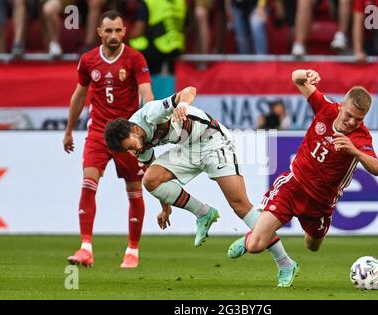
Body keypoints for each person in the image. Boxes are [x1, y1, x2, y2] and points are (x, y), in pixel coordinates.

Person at [104, 86, 298, 287]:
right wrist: (165, 206)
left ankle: (285, 263)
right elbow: (153, 172)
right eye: (128, 150)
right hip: (187, 148)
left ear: (135, 130)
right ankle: (203, 213)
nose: (133, 151)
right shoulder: (139, 146)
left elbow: (189, 90)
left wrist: (184, 104)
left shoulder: (151, 113)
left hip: (213, 141)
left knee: (240, 205)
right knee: (150, 180)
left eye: (130, 146)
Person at [227, 69, 378, 281]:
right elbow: (295, 78)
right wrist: (306, 74)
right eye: (349, 115)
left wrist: (354, 151)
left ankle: (262, 237)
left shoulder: (361, 136)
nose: (352, 122)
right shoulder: (326, 108)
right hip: (294, 186)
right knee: (255, 245)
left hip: (321, 202)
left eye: (358, 119)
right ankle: (263, 248)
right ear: (341, 107)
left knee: (312, 246)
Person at [63, 10, 154, 269]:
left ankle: (132, 251)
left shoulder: (135, 58)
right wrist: (69, 130)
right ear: (99, 33)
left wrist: (147, 125)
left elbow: (146, 92)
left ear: (124, 32)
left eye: (118, 30)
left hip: (126, 136)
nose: (113, 35)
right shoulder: (88, 60)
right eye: (108, 31)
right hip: (98, 133)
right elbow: (79, 96)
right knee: (88, 183)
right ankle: (85, 248)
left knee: (134, 191)